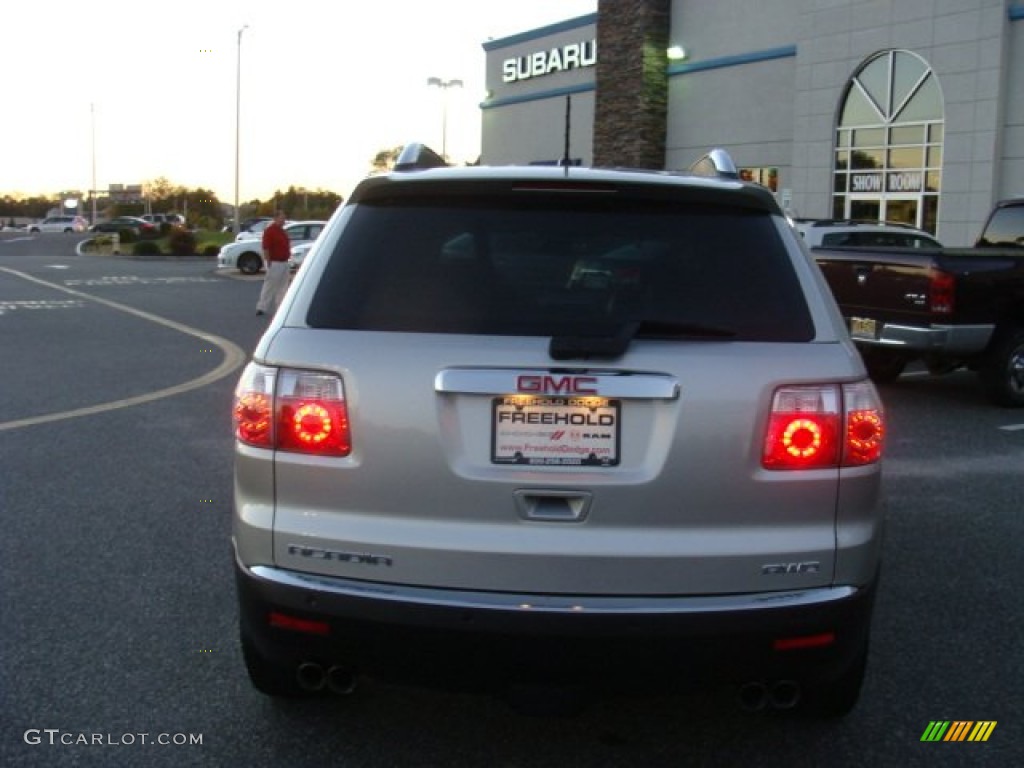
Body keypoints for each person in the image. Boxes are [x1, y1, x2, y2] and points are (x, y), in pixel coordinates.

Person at [255, 211, 290, 316]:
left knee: (283, 287)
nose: (283, 220)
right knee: (270, 285)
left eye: (284, 218)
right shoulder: (270, 231)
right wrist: (268, 261)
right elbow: (266, 247)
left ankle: (280, 307)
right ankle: (262, 307)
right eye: (281, 218)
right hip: (275, 262)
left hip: (284, 262)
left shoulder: (282, 232)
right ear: (275, 218)